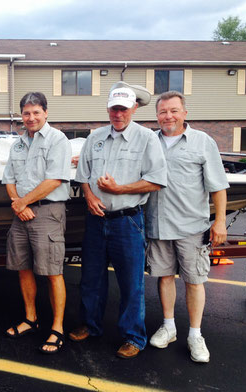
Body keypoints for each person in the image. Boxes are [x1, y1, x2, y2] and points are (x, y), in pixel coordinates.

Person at [71, 84, 167, 359]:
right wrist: (89, 195)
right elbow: (83, 175)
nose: (118, 113)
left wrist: (118, 190)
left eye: (123, 109)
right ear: (108, 109)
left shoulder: (147, 139)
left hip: (127, 221)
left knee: (131, 283)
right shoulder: (95, 138)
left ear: (134, 108)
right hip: (96, 219)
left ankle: (133, 336)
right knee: (91, 278)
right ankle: (91, 325)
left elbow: (156, 181)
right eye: (114, 108)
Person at [146, 91, 228, 363]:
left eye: (173, 110)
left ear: (184, 113)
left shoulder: (203, 142)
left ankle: (195, 334)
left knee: (195, 280)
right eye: (162, 112)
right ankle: (168, 327)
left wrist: (220, 221)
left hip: (192, 225)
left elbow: (218, 185)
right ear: (156, 115)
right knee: (164, 276)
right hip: (157, 223)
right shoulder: (149, 142)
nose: (168, 116)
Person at [3, 92, 71, 354]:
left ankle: (57, 328)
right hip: (21, 214)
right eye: (26, 113)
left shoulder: (58, 140)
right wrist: (18, 203)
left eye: (36, 112)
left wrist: (23, 203)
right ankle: (30, 319)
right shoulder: (18, 144)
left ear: (46, 113)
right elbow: (9, 179)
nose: (30, 118)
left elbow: (55, 179)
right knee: (23, 268)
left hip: (48, 213)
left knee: (53, 271)